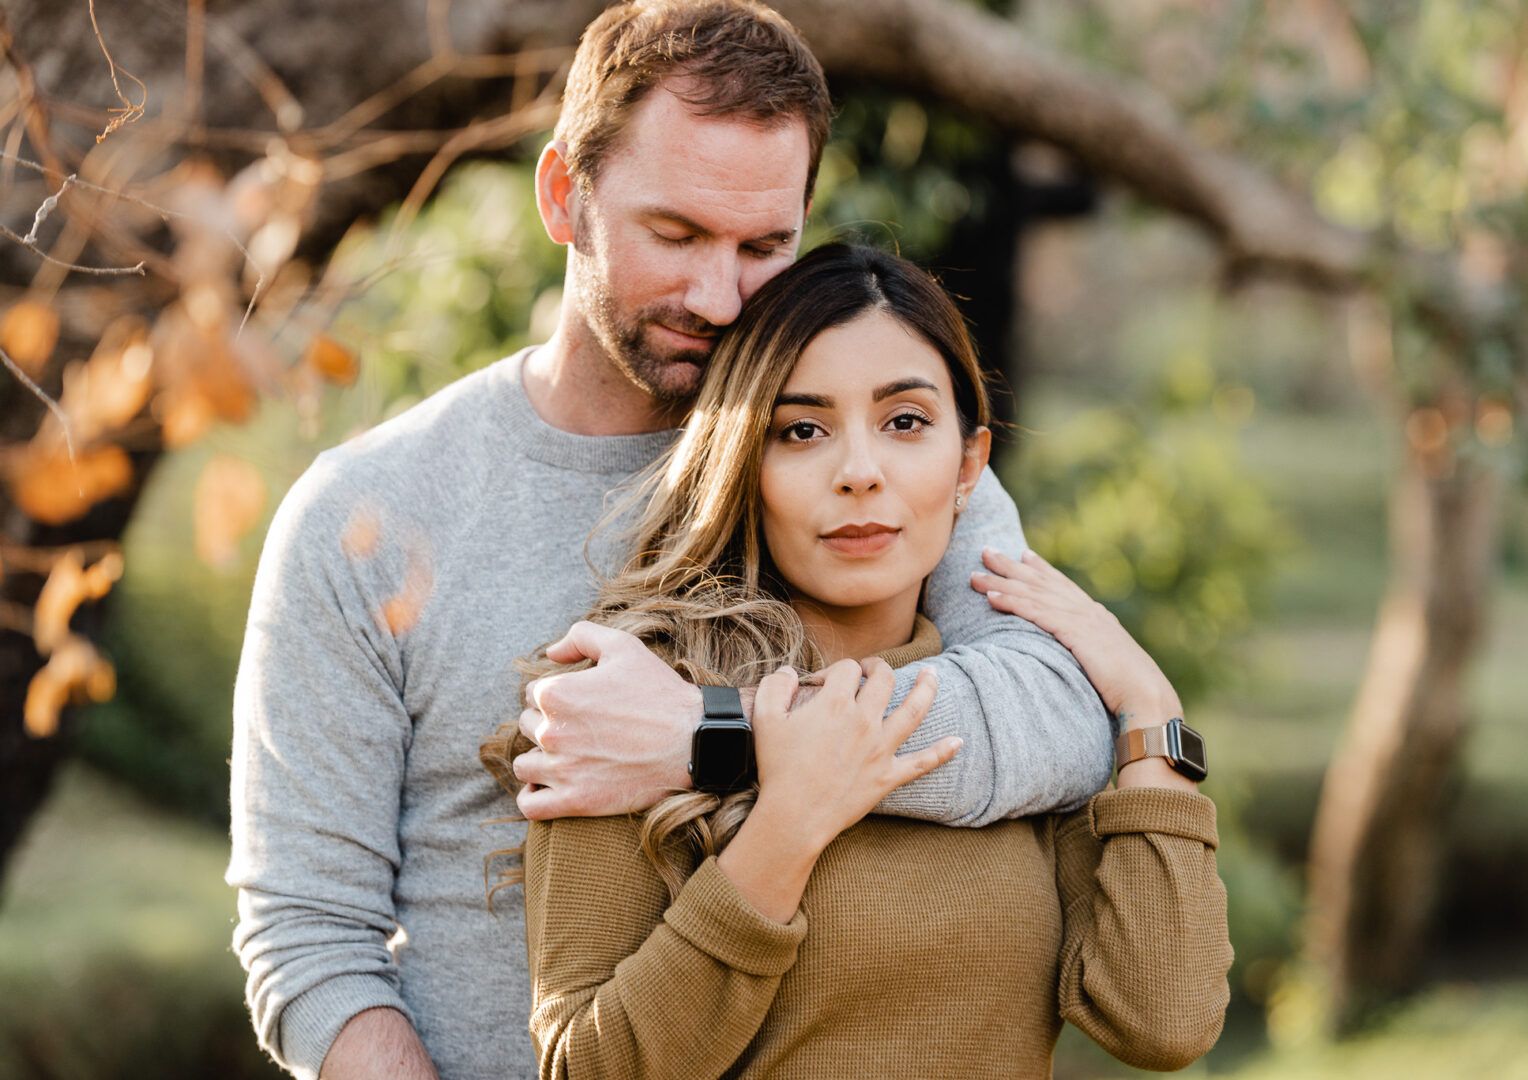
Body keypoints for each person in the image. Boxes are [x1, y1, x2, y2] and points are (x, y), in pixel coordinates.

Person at [228, 3, 1113, 1078]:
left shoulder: (860, 466)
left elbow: (1060, 720)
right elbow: (309, 935)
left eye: (763, 245)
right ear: (565, 195)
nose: (719, 295)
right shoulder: (364, 516)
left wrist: (712, 737)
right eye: (676, 234)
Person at [483, 243, 1232, 1078]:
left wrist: (1148, 707)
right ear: (742, 465)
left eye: (905, 422)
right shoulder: (642, 701)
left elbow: (1163, 1021)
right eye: (802, 431)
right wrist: (786, 828)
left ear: (969, 467)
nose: (860, 474)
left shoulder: (1020, 719)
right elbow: (587, 1069)